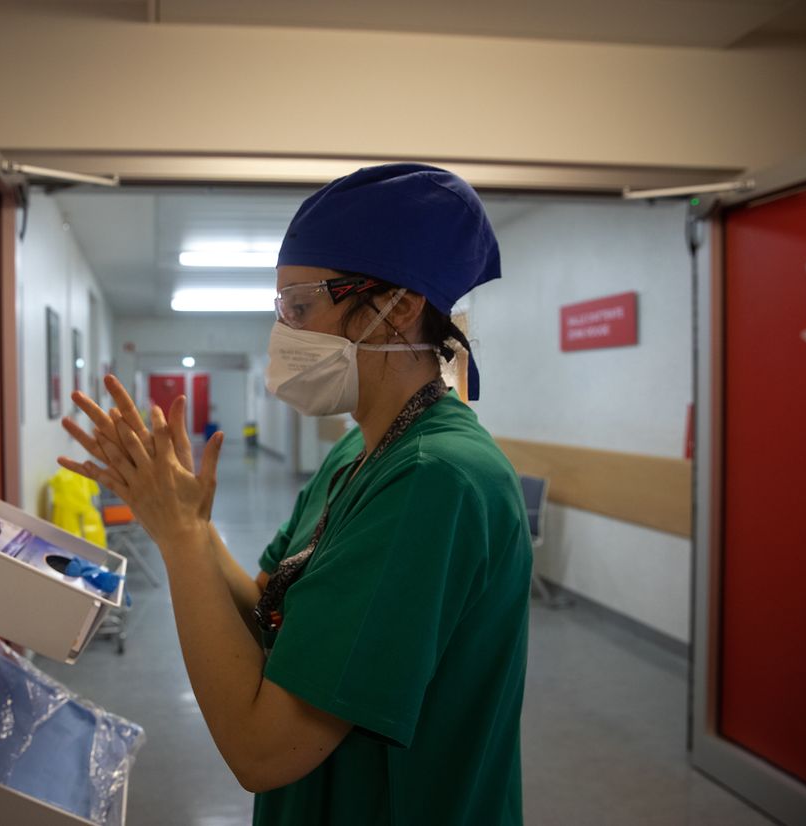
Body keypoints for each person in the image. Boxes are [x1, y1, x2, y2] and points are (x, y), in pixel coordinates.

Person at [59, 163, 532, 826]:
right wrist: (190, 522)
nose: (283, 333)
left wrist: (181, 540)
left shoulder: (436, 479)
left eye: (300, 308)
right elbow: (267, 611)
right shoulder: (360, 450)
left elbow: (263, 750)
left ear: (398, 308)